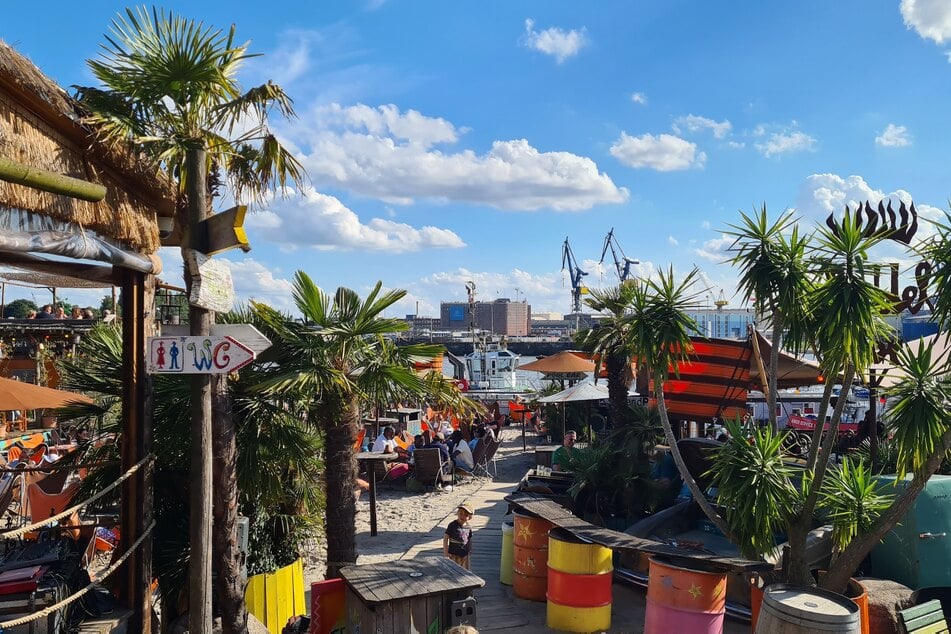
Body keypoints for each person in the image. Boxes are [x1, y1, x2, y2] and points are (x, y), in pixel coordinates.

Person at [443, 503, 474, 570]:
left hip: (465, 555)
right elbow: (445, 538)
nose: (462, 516)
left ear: (470, 517)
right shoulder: (452, 525)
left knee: (465, 571)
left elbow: (469, 540)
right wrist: (446, 553)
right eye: (461, 514)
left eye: (466, 515)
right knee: (453, 570)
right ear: (457, 513)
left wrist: (469, 551)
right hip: (453, 554)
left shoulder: (468, 527)